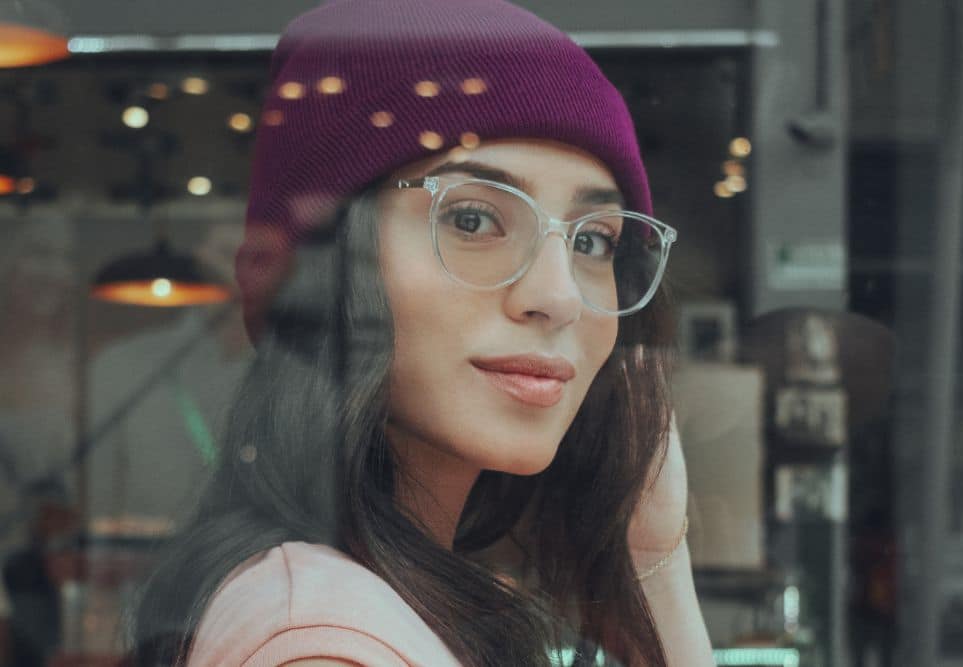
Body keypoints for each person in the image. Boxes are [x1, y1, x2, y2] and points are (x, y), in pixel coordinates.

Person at [125, 1, 713, 665]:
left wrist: (652, 557)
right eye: (470, 220)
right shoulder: (324, 643)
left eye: (593, 238)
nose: (558, 295)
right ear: (326, 272)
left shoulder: (362, 601)